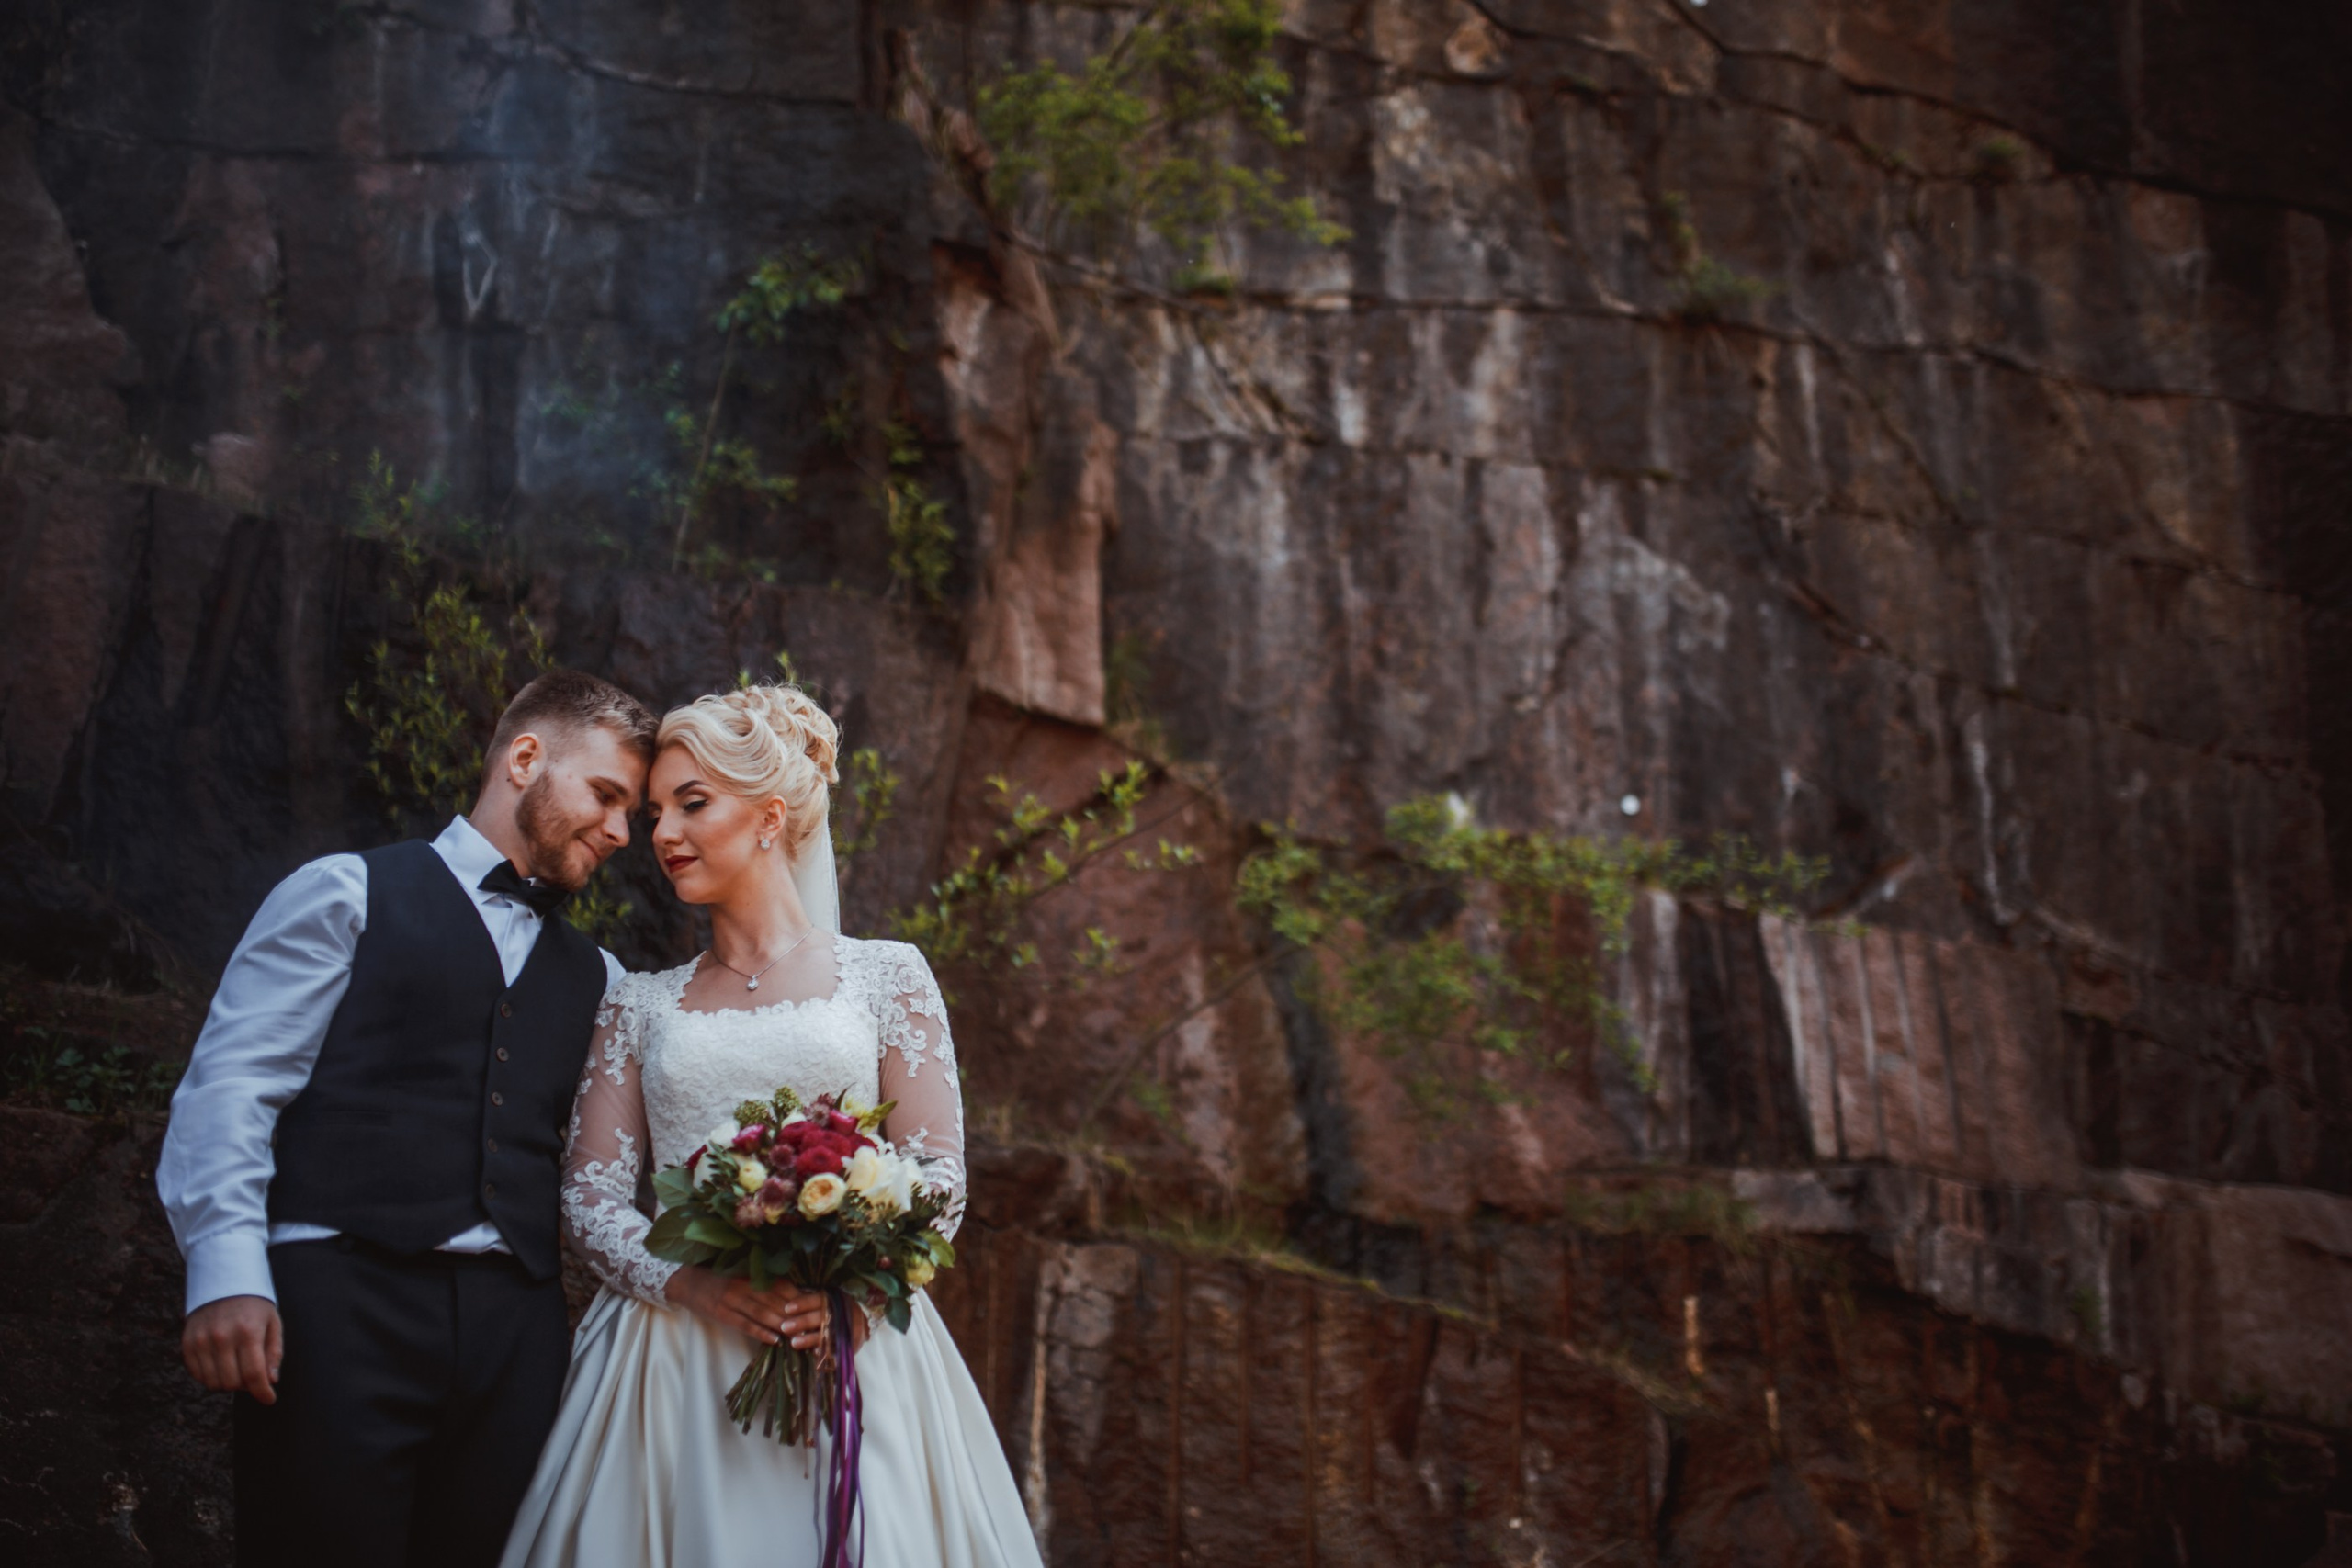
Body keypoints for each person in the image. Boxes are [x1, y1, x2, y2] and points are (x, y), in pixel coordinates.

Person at [501, 682, 1042, 1568]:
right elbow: (592, 1196)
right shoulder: (637, 1003)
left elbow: (936, 1169)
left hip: (854, 1346)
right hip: (670, 1358)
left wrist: (857, 1300)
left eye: (692, 804)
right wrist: (700, 1288)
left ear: (769, 816)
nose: (662, 834)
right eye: (654, 811)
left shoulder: (887, 978)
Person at [158, 669, 661, 1568]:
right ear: (526, 758)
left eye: (634, 814)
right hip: (340, 1308)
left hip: (518, 1339)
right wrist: (226, 1268)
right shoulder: (343, 894)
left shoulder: (604, 983)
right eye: (607, 796)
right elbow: (232, 1086)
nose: (622, 833)